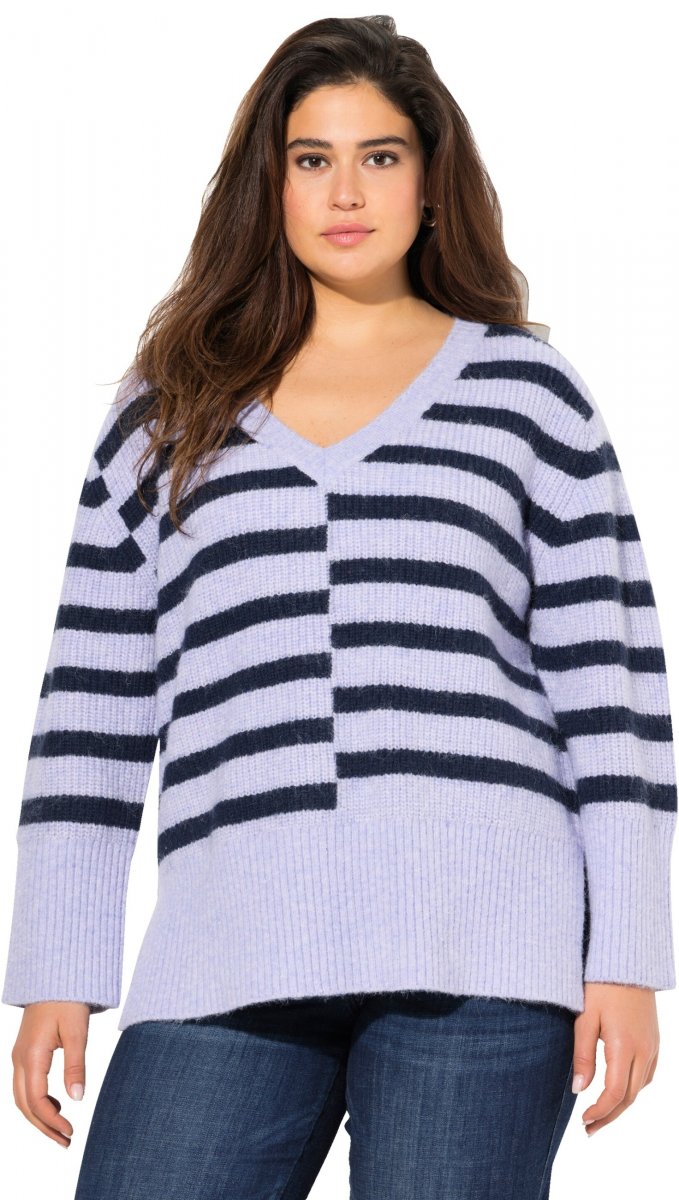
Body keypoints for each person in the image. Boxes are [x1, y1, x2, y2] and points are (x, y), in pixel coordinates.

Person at [3, 14, 676, 1199]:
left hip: (487, 947)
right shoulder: (169, 412)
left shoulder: (527, 395)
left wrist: (626, 956)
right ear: (266, 186)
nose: (346, 191)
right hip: (226, 944)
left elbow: (611, 697)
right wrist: (59, 965)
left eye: (381, 155)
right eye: (311, 158)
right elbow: (92, 709)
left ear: (430, 179)